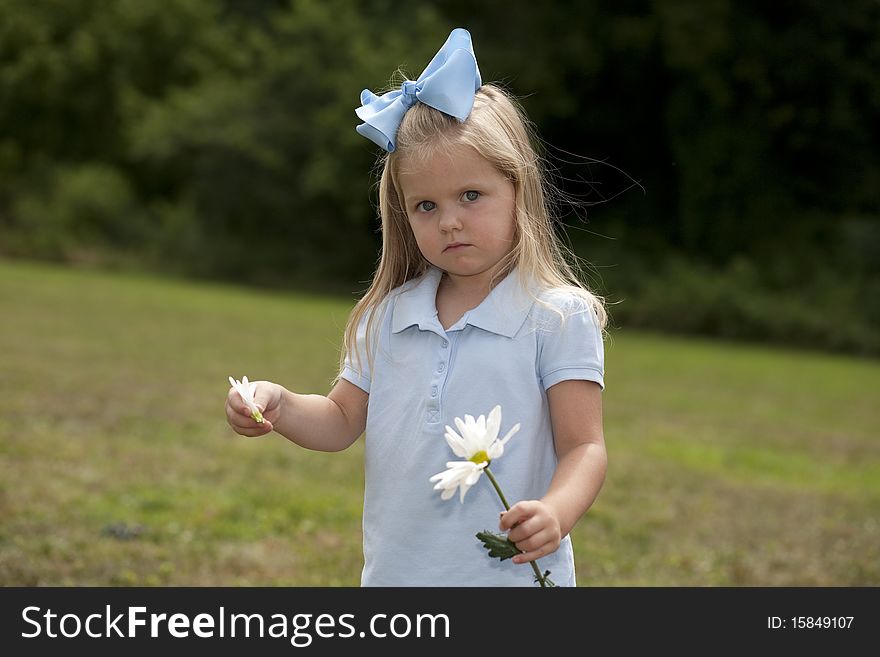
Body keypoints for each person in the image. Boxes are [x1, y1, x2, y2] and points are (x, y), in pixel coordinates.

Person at [225, 28, 607, 586]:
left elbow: (585, 447)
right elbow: (339, 420)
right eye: (425, 205)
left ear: (518, 188)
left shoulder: (556, 316)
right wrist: (280, 404)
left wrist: (556, 511)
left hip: (511, 580)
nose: (449, 220)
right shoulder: (389, 316)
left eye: (470, 196)